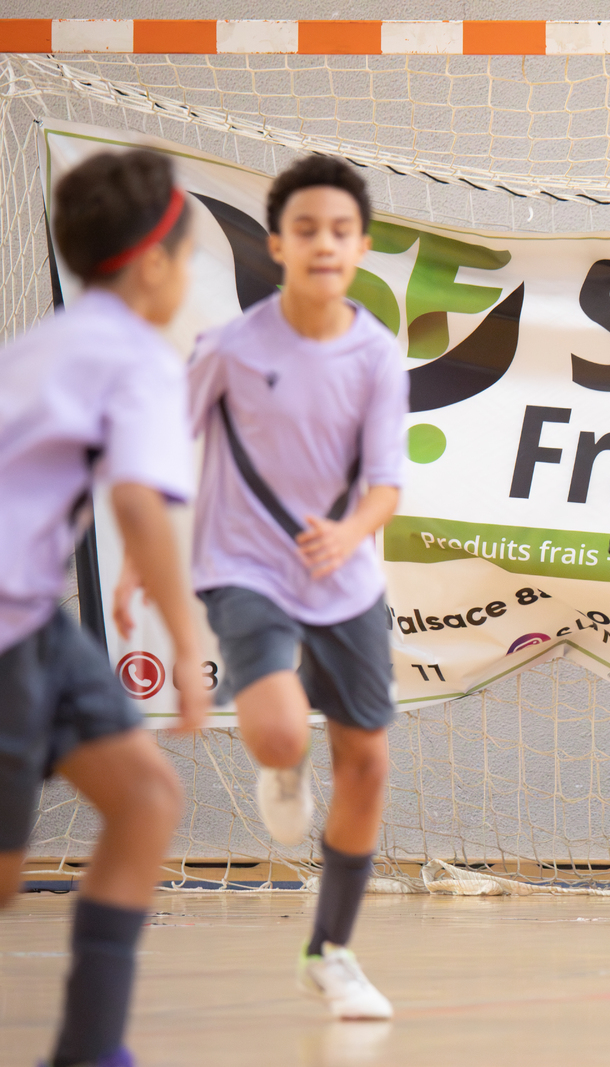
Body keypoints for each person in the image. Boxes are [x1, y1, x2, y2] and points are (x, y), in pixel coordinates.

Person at [118, 154, 407, 1018]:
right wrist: (139, 553)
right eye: (306, 229)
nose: (324, 244)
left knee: (368, 763)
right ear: (277, 244)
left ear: (361, 246)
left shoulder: (376, 354)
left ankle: (330, 951)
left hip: (345, 577)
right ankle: (282, 770)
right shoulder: (231, 347)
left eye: (341, 231)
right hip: (243, 566)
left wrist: (350, 532)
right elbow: (167, 446)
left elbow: (386, 485)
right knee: (280, 734)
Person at [0, 149, 209, 1067]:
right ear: (155, 262)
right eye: (191, 257)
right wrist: (190, 645)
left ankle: (90, 1053)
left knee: (148, 795)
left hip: (34, 616)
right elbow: (138, 506)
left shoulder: (46, 343)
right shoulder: (134, 354)